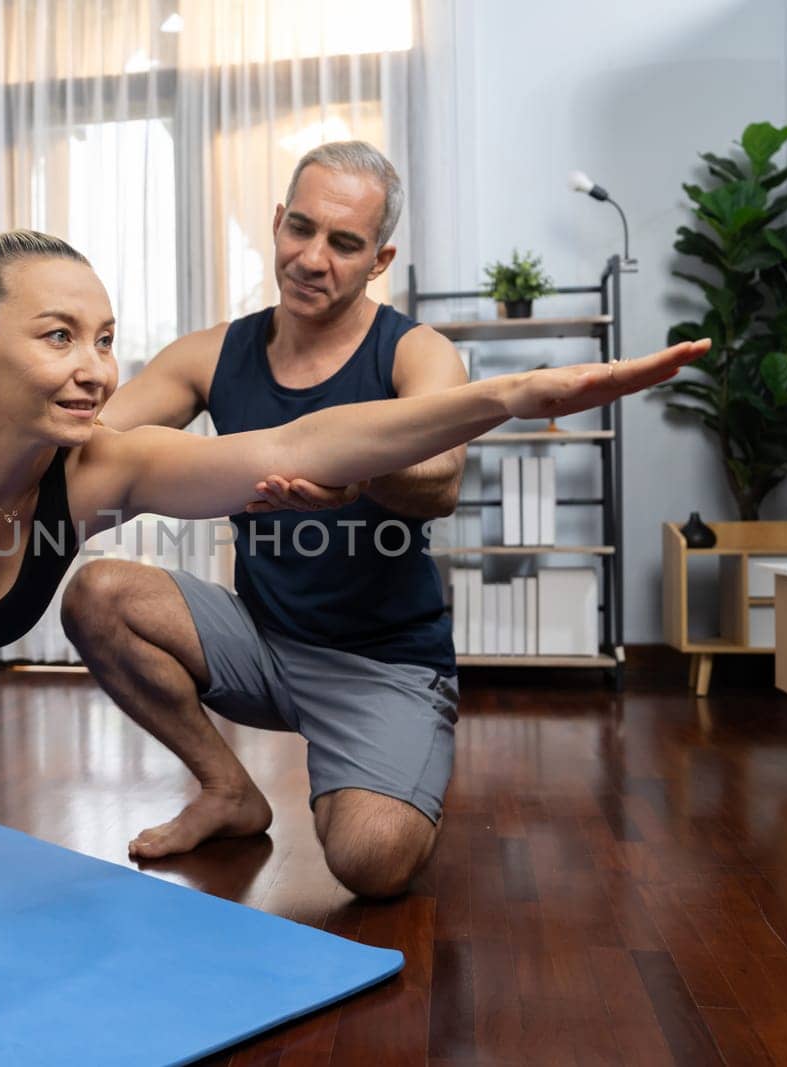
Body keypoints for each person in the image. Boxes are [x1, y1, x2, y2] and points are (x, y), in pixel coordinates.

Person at [0, 228, 704, 1024]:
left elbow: (296, 450)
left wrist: (508, 396)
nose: (96, 368)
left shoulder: (99, 470)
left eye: (104, 338)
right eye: (58, 337)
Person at [59, 141, 515, 898]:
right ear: (277, 222)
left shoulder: (415, 352)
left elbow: (441, 481)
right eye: (300, 229)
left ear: (379, 258)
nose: (311, 257)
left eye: (343, 243)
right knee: (96, 595)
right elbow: (97, 438)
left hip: (384, 665)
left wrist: (352, 464)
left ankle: (392, 763)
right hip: (263, 642)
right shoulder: (215, 353)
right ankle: (228, 790)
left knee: (370, 861)